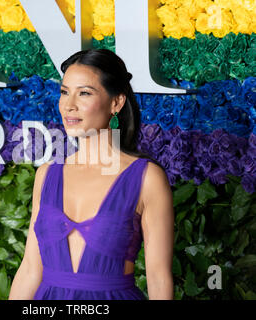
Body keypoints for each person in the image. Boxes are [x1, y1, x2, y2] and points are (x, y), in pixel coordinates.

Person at [9, 49, 174, 300]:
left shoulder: (146, 178)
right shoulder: (47, 175)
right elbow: (31, 269)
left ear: (116, 103)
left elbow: (158, 278)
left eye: (84, 93)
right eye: (64, 92)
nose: (69, 105)